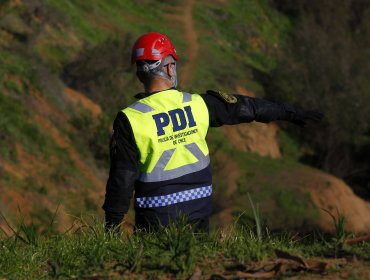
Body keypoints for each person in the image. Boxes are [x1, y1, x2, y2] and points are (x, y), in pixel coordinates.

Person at [102, 32, 323, 233]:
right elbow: (248, 108)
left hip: (156, 215)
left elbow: (122, 178)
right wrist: (291, 113)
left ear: (140, 72)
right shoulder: (198, 104)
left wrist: (111, 227)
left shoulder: (130, 119)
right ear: (169, 68)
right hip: (199, 206)